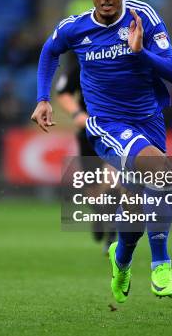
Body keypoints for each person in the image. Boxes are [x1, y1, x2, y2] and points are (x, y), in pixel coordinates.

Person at [31, 0, 172, 303]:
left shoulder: (143, 16)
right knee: (161, 171)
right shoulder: (75, 28)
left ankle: (122, 260)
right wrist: (43, 98)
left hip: (149, 121)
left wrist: (141, 52)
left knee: (133, 210)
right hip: (108, 125)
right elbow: (49, 51)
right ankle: (161, 263)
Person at [55, 61, 116, 251]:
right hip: (89, 133)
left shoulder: (126, 58)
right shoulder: (83, 61)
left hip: (117, 130)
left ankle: (112, 234)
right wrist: (77, 115)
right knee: (93, 189)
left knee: (112, 179)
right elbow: (63, 91)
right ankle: (98, 214)